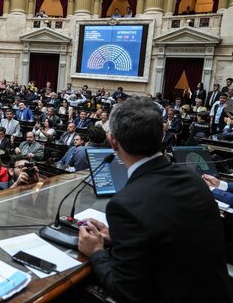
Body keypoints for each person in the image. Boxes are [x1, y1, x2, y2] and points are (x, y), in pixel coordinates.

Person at [78, 96, 233, 303]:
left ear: (113, 142)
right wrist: (120, 239)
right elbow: (173, 239)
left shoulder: (125, 204)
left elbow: (127, 292)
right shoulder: (194, 179)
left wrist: (96, 251)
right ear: (162, 135)